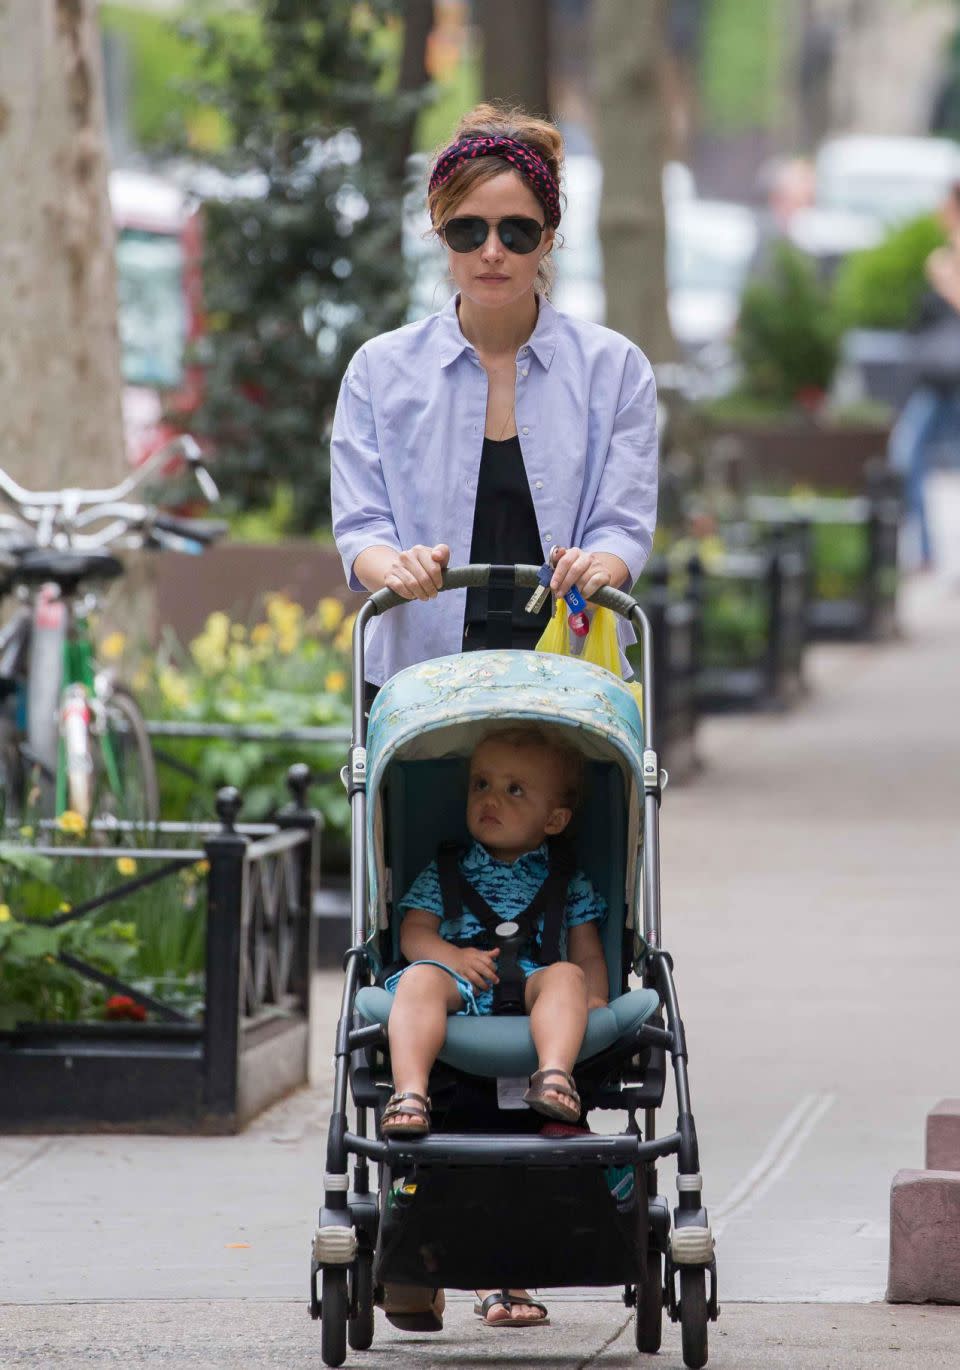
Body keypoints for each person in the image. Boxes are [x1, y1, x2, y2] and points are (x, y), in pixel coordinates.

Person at [330, 101, 658, 1329]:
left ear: (549, 233)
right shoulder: (384, 371)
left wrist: (608, 565)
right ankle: (426, 1222)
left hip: (561, 692)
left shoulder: (611, 370)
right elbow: (357, 528)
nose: (492, 249)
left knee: (551, 950)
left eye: (516, 227)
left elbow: (625, 523)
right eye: (468, 226)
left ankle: (520, 1238)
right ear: (439, 232)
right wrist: (388, 569)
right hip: (428, 695)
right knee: (433, 931)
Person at [380, 726, 608, 1139]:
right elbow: (414, 932)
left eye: (514, 790)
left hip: (532, 984)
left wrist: (594, 996)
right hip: (457, 982)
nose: (491, 798)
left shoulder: (568, 880)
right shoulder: (449, 869)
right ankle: (410, 1093)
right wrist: (451, 957)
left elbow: (587, 952)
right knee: (418, 978)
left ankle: (554, 1076)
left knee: (568, 975)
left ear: (554, 820)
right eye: (481, 784)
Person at [889, 181, 960, 569]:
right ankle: (927, 550)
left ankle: (929, 551)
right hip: (940, 378)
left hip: (949, 379)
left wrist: (944, 277)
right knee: (908, 455)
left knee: (907, 453)